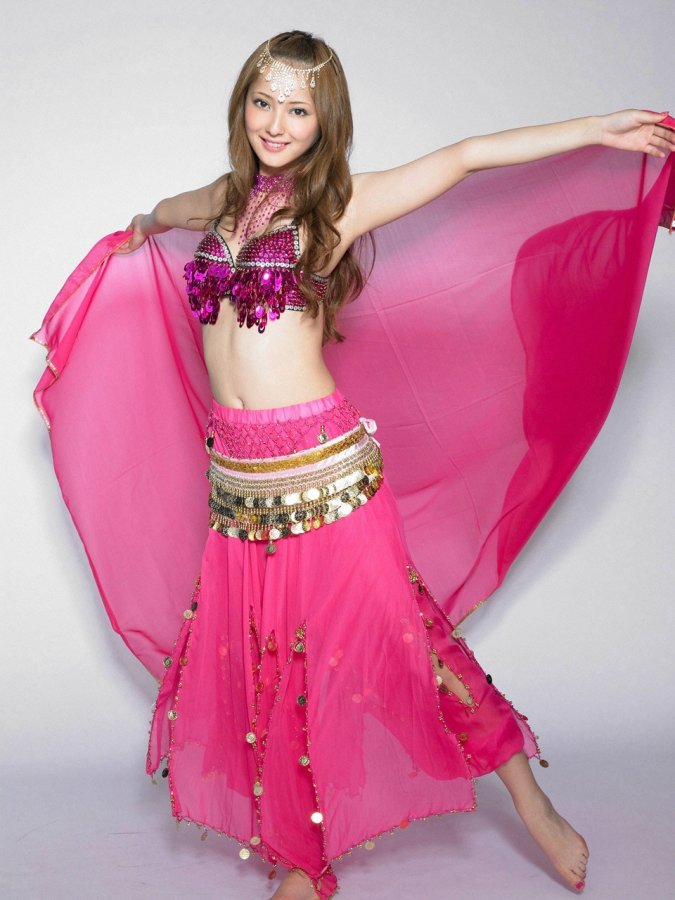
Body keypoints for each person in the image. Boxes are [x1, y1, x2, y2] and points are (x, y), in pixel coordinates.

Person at [33, 29, 674, 900]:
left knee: (406, 643)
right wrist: (139, 228)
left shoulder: (336, 207)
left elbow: (465, 157)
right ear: (242, 104)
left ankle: (529, 803)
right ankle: (303, 852)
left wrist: (597, 129)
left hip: (323, 470)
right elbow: (163, 211)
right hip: (239, 485)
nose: (275, 123)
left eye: (297, 109)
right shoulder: (223, 200)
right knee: (270, 664)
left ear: (324, 120)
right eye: (263, 102)